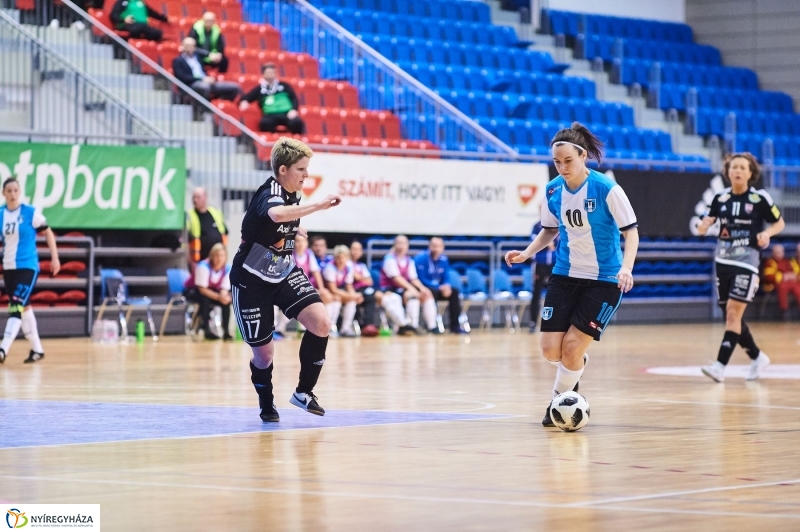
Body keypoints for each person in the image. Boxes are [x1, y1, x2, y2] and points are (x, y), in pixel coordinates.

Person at [504, 122, 639, 428]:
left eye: (568, 161)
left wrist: (626, 267)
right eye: (557, 162)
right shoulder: (553, 190)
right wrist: (527, 253)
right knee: (552, 350)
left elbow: (631, 233)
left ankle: (557, 403)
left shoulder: (607, 188)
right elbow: (549, 230)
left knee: (572, 347)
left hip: (604, 279)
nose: (562, 167)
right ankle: (575, 366)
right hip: (565, 275)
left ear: (583, 156)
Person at [229, 137, 342, 422]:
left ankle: (304, 392)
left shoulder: (293, 193)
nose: (306, 174)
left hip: (282, 272)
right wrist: (318, 207)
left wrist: (298, 227)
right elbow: (276, 213)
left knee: (322, 323)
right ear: (283, 170)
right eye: (301, 169)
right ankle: (267, 404)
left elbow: (282, 218)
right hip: (251, 280)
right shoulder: (271, 191)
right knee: (264, 355)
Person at [698, 153, 785, 382]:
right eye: (733, 167)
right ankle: (757, 357)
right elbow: (702, 228)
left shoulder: (759, 199)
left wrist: (767, 233)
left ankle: (719, 366)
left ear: (750, 173)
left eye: (742, 167)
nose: (737, 170)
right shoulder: (720, 199)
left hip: (747, 262)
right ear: (728, 172)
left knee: (733, 314)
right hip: (723, 262)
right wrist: (703, 225)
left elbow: (779, 222)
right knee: (732, 317)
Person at [0, 177, 61, 365]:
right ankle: (37, 349)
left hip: (28, 266)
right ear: (3, 193)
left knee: (16, 307)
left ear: (19, 192)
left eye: (15, 190)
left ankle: (3, 349)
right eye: (8, 191)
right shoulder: (1, 213)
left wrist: (55, 257)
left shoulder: (30, 213)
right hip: (9, 267)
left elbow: (48, 232)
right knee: (24, 308)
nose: (12, 194)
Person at [380, 235, 438, 335]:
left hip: (403, 290)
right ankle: (403, 326)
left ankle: (422, 326)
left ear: (407, 246)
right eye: (399, 243)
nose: (401, 246)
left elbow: (413, 278)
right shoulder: (389, 259)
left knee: (424, 295)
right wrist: (413, 290)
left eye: (403, 244)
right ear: (395, 245)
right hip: (389, 289)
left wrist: (422, 289)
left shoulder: (409, 260)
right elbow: (397, 279)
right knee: (404, 297)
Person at [414, 237, 467, 334]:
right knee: (431, 292)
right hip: (424, 288)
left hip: (440, 288)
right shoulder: (420, 258)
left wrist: (446, 286)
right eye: (434, 246)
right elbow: (421, 278)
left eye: (439, 246)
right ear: (429, 247)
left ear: (443, 248)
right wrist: (439, 287)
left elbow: (446, 276)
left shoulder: (444, 259)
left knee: (454, 292)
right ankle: (431, 325)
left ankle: (455, 326)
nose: (436, 249)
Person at [290, 234, 336, 335]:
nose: (300, 244)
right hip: (292, 286)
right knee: (306, 299)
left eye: (302, 241)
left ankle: (328, 326)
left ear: (306, 243)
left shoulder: (308, 253)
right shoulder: (289, 254)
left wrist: (322, 288)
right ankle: (303, 328)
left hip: (305, 286)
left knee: (328, 296)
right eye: (297, 241)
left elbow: (315, 272)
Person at [239, 63, 305, 134]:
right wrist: (244, 101)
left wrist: (293, 110)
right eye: (268, 73)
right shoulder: (259, 89)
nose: (270, 75)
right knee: (265, 123)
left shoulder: (285, 86)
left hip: (287, 114)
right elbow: (246, 97)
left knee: (297, 122)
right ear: (263, 74)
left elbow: (294, 99)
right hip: (270, 115)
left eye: (272, 73)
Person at [184, 243, 232, 340]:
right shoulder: (203, 266)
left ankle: (226, 332)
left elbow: (224, 288)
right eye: (216, 255)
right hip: (194, 291)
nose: (219, 258)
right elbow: (202, 289)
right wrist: (219, 297)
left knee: (226, 302)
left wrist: (224, 297)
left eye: (222, 255)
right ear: (211, 256)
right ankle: (206, 329)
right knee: (204, 300)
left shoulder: (227, 269)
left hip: (212, 292)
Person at [172, 37, 241, 101]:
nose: (190, 48)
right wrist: (202, 79)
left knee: (234, 88)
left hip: (206, 81)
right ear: (183, 46)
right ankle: (205, 110)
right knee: (205, 87)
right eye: (188, 45)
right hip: (191, 84)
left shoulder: (197, 57)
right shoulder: (178, 61)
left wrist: (208, 78)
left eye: (192, 45)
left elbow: (207, 57)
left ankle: (214, 104)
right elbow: (182, 77)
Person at [323, 246, 362, 338]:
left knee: (352, 301)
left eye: (343, 257)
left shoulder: (348, 268)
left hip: (338, 291)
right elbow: (332, 289)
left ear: (347, 258)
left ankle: (346, 328)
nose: (340, 260)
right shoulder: (330, 268)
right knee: (336, 300)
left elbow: (349, 286)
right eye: (338, 257)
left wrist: (354, 296)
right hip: (326, 291)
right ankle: (329, 328)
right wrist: (352, 296)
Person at [186, 186, 228, 270]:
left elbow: (225, 233)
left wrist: (224, 256)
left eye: (198, 197)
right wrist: (191, 261)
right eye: (193, 197)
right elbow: (187, 240)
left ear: (205, 197)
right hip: (200, 262)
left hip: (218, 262)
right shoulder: (190, 215)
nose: (195, 200)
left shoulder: (216, 212)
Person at [529, 222, 557, 332]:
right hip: (540, 264)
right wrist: (547, 243)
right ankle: (533, 323)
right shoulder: (537, 226)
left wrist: (551, 242)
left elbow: (559, 241)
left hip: (554, 264)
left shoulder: (558, 224)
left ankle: (554, 322)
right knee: (536, 293)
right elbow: (535, 240)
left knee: (555, 294)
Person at [350, 240, 380, 336]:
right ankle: (367, 324)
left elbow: (369, 281)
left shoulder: (361, 265)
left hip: (364, 289)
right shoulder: (346, 263)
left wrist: (360, 278)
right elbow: (355, 278)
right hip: (352, 289)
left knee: (376, 296)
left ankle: (373, 324)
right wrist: (362, 278)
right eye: (353, 249)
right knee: (369, 297)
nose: (355, 252)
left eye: (358, 249)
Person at [762, 243, 800, 319]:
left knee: (798, 289)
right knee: (782, 287)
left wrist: (793, 276)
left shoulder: (788, 261)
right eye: (777, 252)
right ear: (773, 253)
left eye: (780, 252)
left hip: (791, 282)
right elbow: (768, 276)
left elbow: (795, 271)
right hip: (776, 284)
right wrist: (783, 276)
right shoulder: (770, 262)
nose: (779, 254)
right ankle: (784, 311)